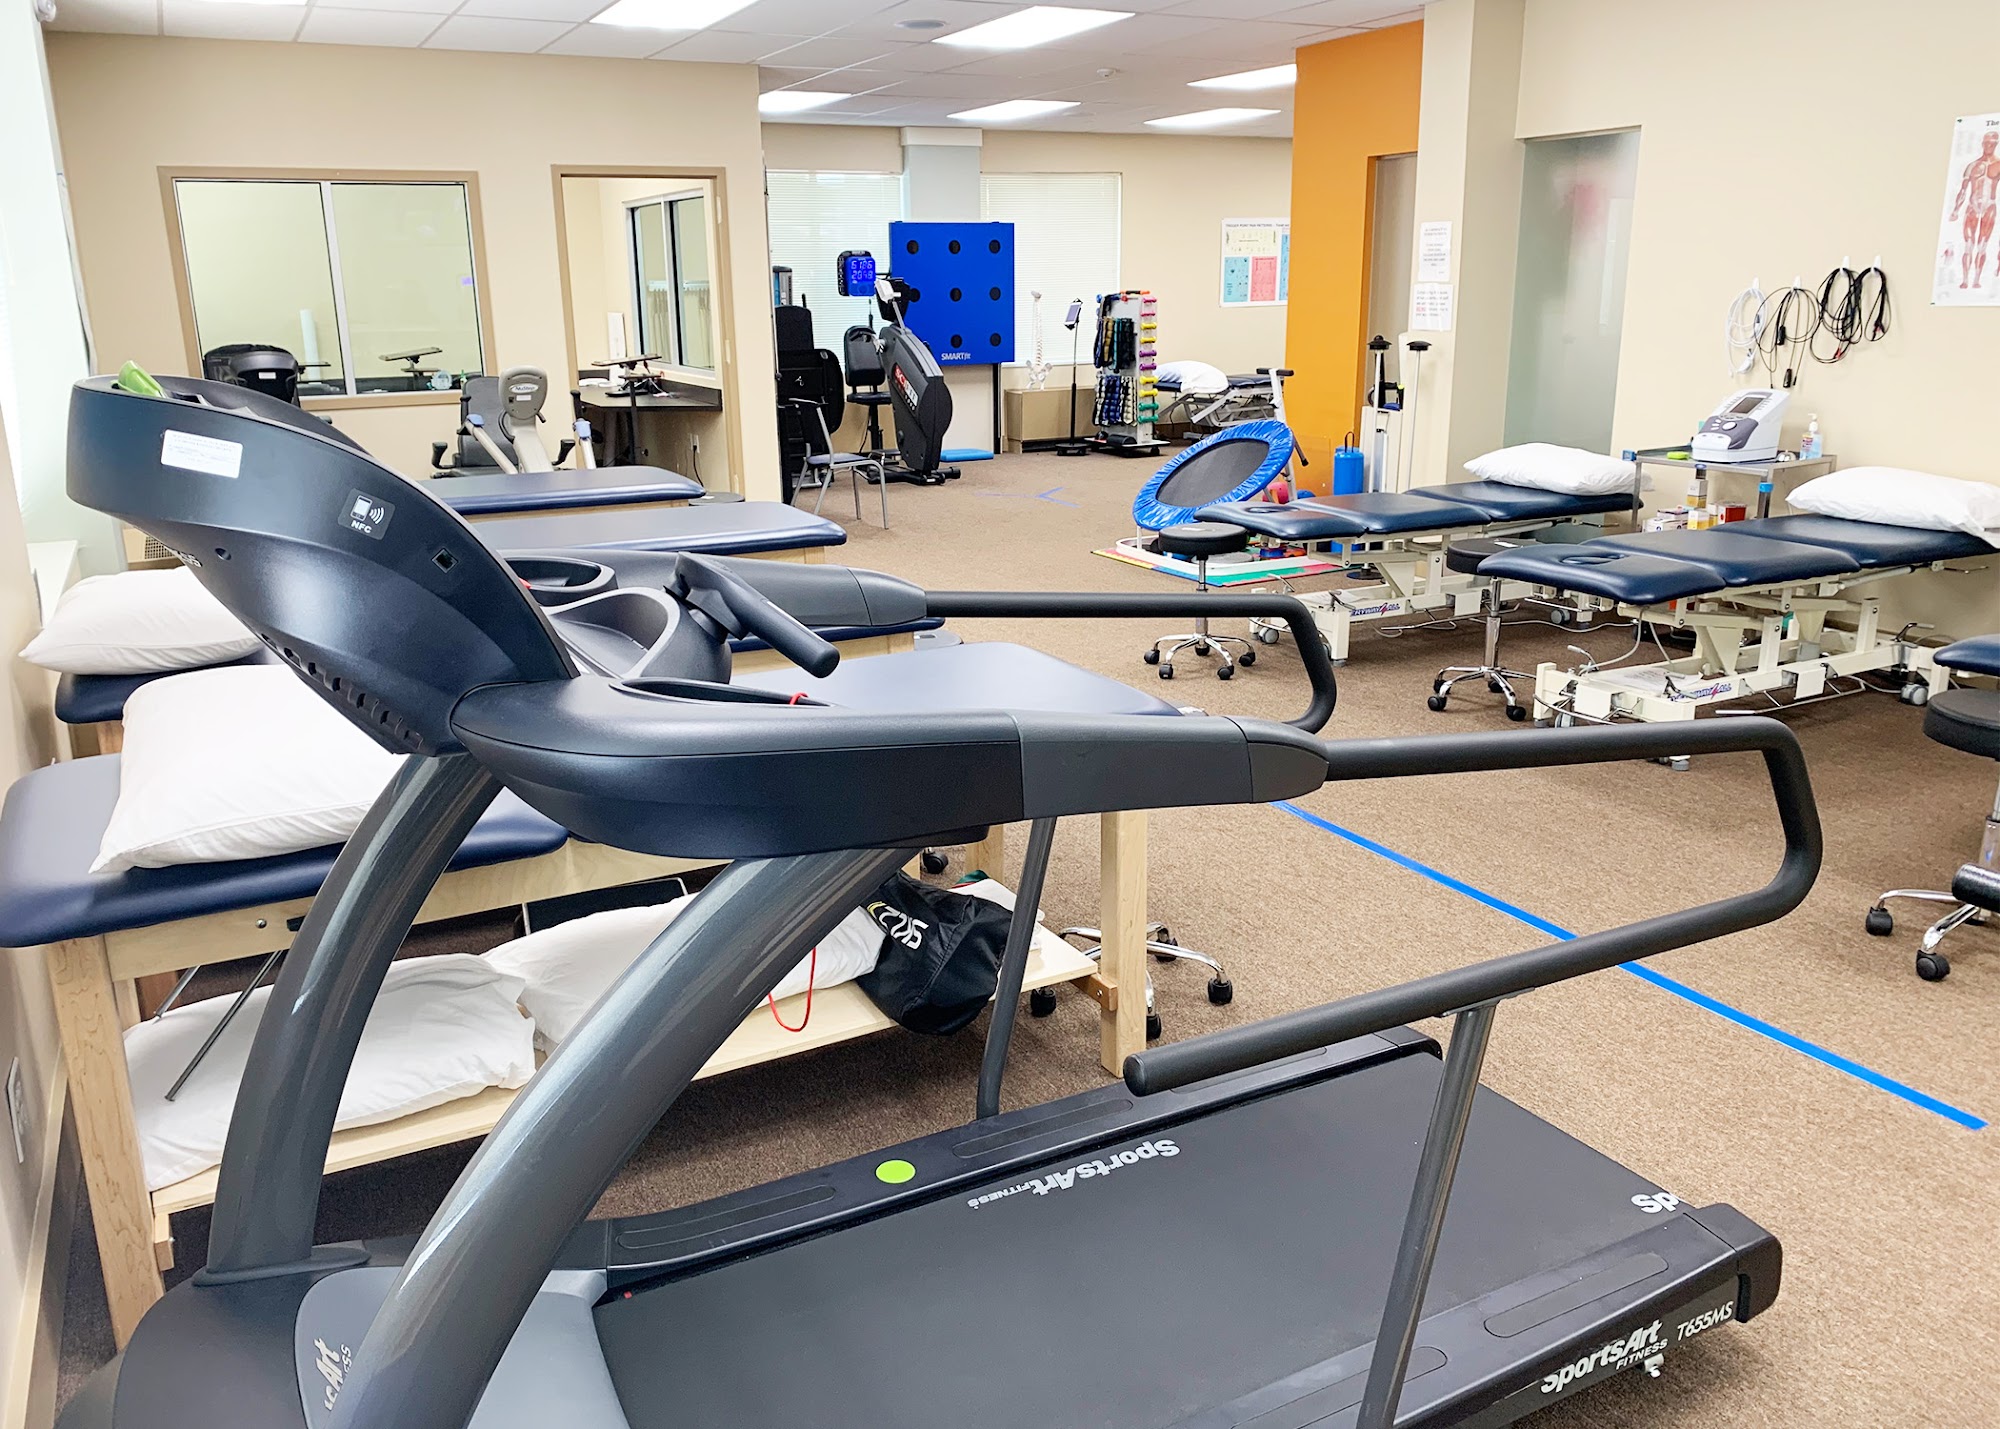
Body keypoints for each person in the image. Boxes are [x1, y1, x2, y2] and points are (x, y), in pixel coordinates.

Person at [1949, 129, 2000, 290]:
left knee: (1982, 245)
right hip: (1972, 206)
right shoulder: (1972, 166)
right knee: (1969, 244)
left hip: (1989, 206)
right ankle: (1965, 280)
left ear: (1996, 144)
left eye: (1992, 143)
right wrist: (1956, 210)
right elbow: (1963, 190)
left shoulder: (1998, 165)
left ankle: (1976, 279)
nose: (1989, 146)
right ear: (1982, 143)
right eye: (1986, 143)